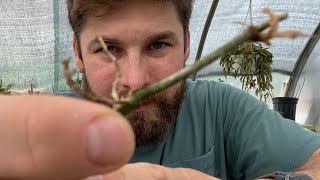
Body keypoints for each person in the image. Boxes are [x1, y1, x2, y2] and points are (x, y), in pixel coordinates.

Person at [1, 0, 320, 179]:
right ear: (78, 53)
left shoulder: (220, 108)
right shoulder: (51, 129)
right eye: (108, 48)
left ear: (186, 46)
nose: (135, 80)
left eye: (158, 45)